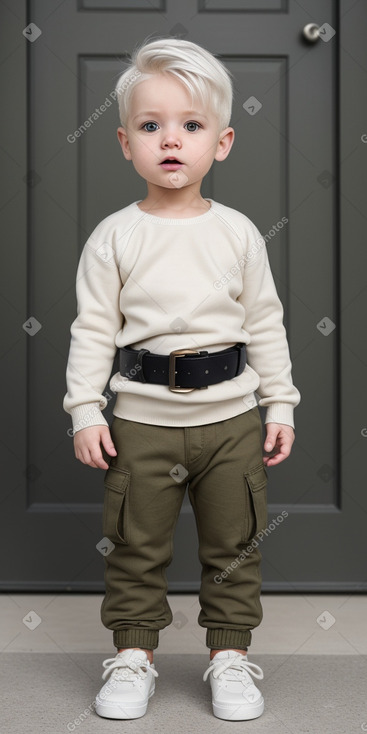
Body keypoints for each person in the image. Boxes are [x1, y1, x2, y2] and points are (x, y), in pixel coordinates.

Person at [63, 36, 300, 722]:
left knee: (235, 544)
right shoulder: (114, 237)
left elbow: (264, 323)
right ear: (123, 143)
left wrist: (278, 403)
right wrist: (85, 409)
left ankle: (227, 657)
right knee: (136, 545)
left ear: (220, 143)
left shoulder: (238, 234)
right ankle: (133, 656)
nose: (171, 140)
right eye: (150, 126)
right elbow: (91, 329)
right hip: (140, 423)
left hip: (231, 422)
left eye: (190, 126)